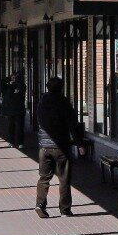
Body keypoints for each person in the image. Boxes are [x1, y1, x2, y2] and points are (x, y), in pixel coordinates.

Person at [34, 76, 84, 218]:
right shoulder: (64, 103)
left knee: (44, 178)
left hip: (44, 147)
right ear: (61, 88)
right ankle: (65, 210)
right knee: (64, 179)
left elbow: (39, 122)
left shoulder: (42, 102)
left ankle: (40, 205)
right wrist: (79, 144)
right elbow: (72, 125)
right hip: (61, 147)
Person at [2, 70, 26, 148]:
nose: (14, 78)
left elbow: (21, 89)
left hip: (19, 110)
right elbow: (1, 84)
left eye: (15, 77)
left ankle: (20, 143)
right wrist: (8, 79)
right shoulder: (8, 86)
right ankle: (11, 142)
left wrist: (16, 80)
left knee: (20, 127)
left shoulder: (21, 85)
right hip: (10, 110)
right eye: (12, 77)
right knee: (11, 127)